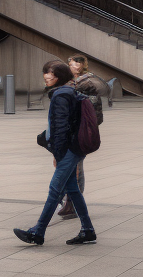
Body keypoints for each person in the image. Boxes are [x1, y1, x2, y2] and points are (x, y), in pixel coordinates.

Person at [14, 60, 96, 247]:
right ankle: (88, 230)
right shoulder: (67, 92)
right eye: (45, 73)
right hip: (74, 148)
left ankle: (37, 231)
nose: (46, 77)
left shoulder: (61, 96)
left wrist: (57, 154)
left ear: (58, 76)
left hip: (68, 150)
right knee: (73, 190)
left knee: (55, 190)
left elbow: (60, 129)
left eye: (50, 74)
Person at [55, 55, 108, 222]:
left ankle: (72, 203)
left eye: (76, 64)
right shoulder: (71, 82)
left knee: (75, 166)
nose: (72, 66)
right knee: (67, 164)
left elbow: (93, 111)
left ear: (82, 66)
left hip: (78, 130)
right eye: (70, 63)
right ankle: (69, 202)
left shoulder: (87, 82)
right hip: (70, 130)